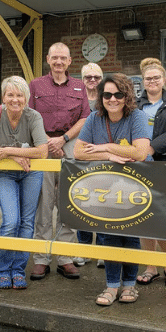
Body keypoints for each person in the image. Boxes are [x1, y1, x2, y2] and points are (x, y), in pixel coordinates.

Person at [74, 73, 150, 306]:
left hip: (133, 187)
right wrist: (107, 155)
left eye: (118, 94)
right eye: (107, 94)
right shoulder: (94, 118)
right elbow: (77, 151)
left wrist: (105, 146)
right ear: (101, 97)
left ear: (127, 96)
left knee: (130, 234)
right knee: (108, 235)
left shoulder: (137, 116)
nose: (112, 99)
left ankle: (129, 285)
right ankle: (112, 285)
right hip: (104, 187)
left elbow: (140, 152)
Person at [28, 42, 91, 280]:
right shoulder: (36, 85)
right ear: (47, 59)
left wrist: (63, 139)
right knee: (44, 202)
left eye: (63, 58)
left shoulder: (79, 86)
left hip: (70, 143)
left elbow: (85, 117)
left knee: (69, 201)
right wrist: (48, 142)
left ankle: (65, 257)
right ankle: (42, 258)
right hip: (42, 143)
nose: (58, 62)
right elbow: (30, 116)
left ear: (69, 61)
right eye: (54, 58)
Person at [0, 76, 49, 290]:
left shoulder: (34, 116)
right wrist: (16, 157)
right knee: (11, 221)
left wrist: (10, 150)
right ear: (3, 97)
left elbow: (42, 151)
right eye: (10, 95)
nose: (15, 99)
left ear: (26, 98)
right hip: (6, 174)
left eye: (20, 95)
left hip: (31, 172)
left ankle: (18, 271)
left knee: (27, 222)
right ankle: (2, 270)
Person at [135, 58, 166, 288]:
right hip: (140, 166)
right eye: (148, 78)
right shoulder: (134, 106)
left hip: (165, 165)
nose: (152, 81)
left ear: (164, 80)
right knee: (144, 216)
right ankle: (150, 266)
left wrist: (151, 148)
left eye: (156, 78)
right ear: (143, 82)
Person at [74, 63, 104, 268]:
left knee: (103, 205)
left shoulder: (107, 99)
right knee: (83, 204)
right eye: (88, 77)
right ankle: (84, 249)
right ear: (82, 79)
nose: (92, 80)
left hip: (102, 157)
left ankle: (102, 251)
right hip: (82, 158)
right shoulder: (76, 100)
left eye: (96, 77)